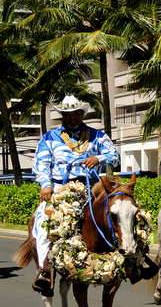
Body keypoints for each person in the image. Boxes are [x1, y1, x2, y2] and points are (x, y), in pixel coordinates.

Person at [31, 95, 120, 294]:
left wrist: (99, 158)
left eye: (76, 114)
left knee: (123, 214)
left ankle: (134, 259)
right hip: (60, 189)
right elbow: (41, 165)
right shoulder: (49, 138)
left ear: (82, 114)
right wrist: (45, 186)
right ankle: (45, 271)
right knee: (43, 225)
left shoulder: (98, 136)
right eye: (68, 114)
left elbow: (115, 157)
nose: (72, 118)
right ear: (62, 116)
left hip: (92, 189)